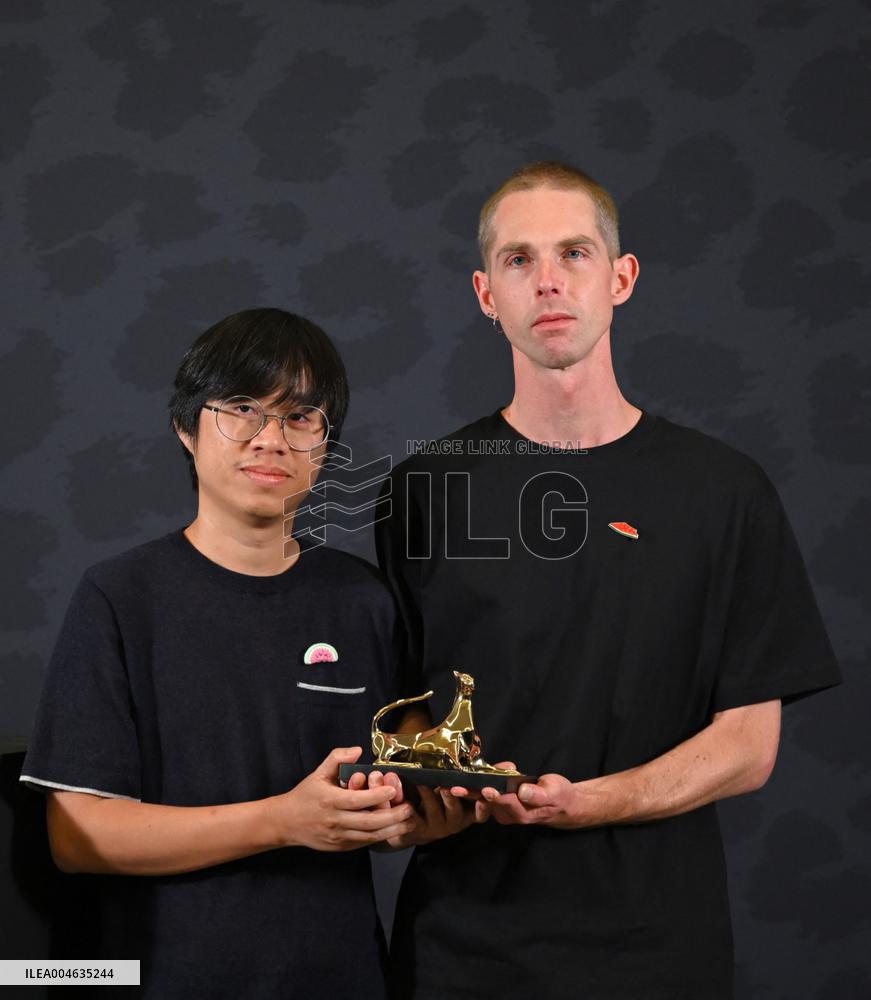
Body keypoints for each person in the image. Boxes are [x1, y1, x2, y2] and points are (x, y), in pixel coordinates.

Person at [374, 163, 841, 999]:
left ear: (619, 277)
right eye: (518, 260)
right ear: (486, 294)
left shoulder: (721, 491)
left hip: (658, 951)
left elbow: (747, 747)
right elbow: (401, 712)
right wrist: (409, 802)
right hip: (462, 952)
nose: (547, 280)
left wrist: (588, 803)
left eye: (573, 253)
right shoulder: (424, 490)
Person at [20, 308, 414, 998]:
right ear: (185, 427)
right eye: (240, 409)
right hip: (169, 979)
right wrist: (281, 822)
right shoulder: (121, 597)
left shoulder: (363, 600)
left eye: (300, 417)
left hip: (341, 977)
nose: (270, 438)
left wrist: (430, 808)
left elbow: (393, 795)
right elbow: (77, 837)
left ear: (326, 443)